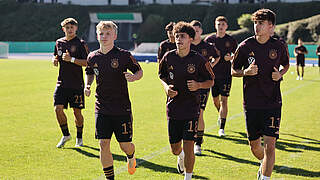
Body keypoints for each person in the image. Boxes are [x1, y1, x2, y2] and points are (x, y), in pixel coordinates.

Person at [231, 9, 289, 180]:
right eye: (255, 23)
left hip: (272, 102)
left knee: (270, 146)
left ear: (271, 26)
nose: (257, 26)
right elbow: (233, 70)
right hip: (251, 103)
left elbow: (285, 65)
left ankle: (265, 177)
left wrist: (280, 74)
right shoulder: (245, 46)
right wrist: (245, 72)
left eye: (261, 23)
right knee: (255, 147)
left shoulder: (278, 46)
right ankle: (263, 164)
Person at [84, 21, 143, 180]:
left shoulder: (124, 55)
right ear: (97, 36)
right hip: (101, 107)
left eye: (108, 33)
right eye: (101, 33)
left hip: (122, 108)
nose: (104, 37)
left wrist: (134, 77)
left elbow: (139, 71)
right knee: (103, 144)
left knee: (125, 145)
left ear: (115, 36)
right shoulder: (92, 56)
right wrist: (87, 85)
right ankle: (110, 178)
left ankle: (131, 156)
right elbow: (89, 72)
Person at [159, 21, 215, 180]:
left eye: (182, 36)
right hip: (173, 108)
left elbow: (211, 80)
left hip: (191, 108)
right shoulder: (168, 57)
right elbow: (161, 76)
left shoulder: (198, 60)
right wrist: (166, 88)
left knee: (190, 146)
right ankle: (180, 155)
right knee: (175, 149)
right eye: (176, 36)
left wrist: (198, 85)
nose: (178, 39)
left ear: (190, 39)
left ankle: (188, 176)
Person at [52, 18, 89, 148]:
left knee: (77, 113)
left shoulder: (81, 43)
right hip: (61, 83)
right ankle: (66, 134)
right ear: (63, 29)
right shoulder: (59, 42)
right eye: (67, 27)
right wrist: (54, 59)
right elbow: (56, 55)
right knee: (57, 109)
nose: (70, 29)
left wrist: (71, 59)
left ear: (76, 28)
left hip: (76, 84)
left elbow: (87, 63)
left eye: (72, 27)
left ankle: (79, 138)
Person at [190, 20, 220, 155]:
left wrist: (210, 67)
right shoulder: (187, 45)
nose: (195, 33)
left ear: (201, 31)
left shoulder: (207, 46)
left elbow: (217, 56)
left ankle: (198, 143)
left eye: (197, 30)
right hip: (187, 84)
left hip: (203, 84)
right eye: (193, 30)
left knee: (200, 112)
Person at [205, 16, 238, 137]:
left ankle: (221, 128)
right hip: (212, 76)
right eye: (219, 24)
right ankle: (221, 114)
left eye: (223, 24)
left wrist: (231, 57)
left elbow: (237, 54)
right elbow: (204, 54)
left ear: (226, 26)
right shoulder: (209, 40)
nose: (221, 26)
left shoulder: (231, 40)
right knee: (215, 100)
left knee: (224, 100)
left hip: (226, 75)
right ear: (215, 25)